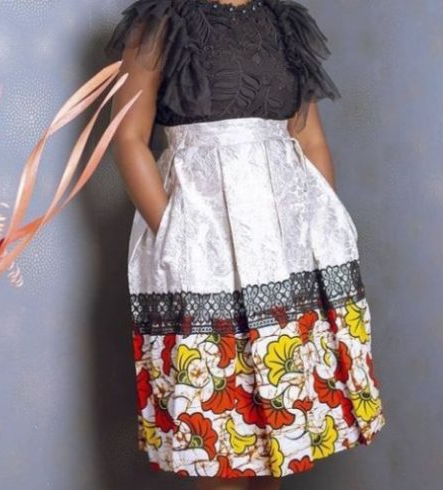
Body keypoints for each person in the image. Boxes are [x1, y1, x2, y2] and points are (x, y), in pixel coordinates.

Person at [104, 0, 386, 487]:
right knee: (221, 439)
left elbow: (309, 138)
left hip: (282, 253)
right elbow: (128, 137)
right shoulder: (162, 20)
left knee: (275, 440)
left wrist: (317, 225)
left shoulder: (282, 21)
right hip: (203, 245)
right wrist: (174, 231)